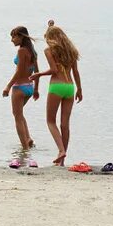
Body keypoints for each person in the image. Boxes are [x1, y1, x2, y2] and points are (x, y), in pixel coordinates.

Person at [29, 26, 82, 166]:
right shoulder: (72, 51)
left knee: (50, 121)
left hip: (57, 86)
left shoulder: (49, 50)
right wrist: (80, 90)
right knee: (65, 124)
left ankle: (60, 151)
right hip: (70, 87)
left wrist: (38, 74)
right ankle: (62, 161)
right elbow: (75, 72)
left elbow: (54, 70)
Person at [3, 26, 39, 151]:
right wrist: (36, 90)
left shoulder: (21, 51)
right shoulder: (33, 51)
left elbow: (19, 72)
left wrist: (8, 86)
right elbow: (37, 72)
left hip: (19, 87)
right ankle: (28, 138)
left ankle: (24, 148)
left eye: (14, 37)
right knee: (19, 114)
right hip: (29, 87)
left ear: (21, 37)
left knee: (17, 116)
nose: (12, 40)